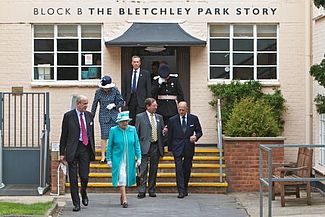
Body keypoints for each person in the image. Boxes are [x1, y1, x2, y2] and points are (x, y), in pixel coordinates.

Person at [59, 95, 96, 212]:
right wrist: (62, 152)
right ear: (78, 104)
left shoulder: (89, 115)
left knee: (84, 176)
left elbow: (91, 134)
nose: (86, 106)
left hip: (85, 148)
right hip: (72, 149)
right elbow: (64, 135)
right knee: (73, 179)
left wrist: (92, 148)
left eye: (87, 103)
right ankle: (76, 203)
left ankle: (83, 192)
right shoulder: (68, 116)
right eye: (84, 103)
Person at [106, 111, 142, 208]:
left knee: (127, 178)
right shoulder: (113, 130)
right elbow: (109, 146)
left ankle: (122, 195)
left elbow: (137, 144)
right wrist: (108, 159)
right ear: (118, 122)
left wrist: (139, 157)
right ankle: (125, 199)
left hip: (129, 158)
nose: (125, 123)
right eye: (122, 121)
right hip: (118, 159)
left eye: (126, 121)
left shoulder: (132, 129)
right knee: (121, 177)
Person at [167, 101, 202, 199]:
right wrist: (170, 149)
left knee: (187, 169)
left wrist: (196, 136)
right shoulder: (172, 120)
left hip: (188, 147)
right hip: (177, 148)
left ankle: (185, 188)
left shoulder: (193, 118)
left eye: (183, 110)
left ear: (186, 109)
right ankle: (181, 191)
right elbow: (170, 136)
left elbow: (199, 131)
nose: (181, 111)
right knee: (178, 169)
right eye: (179, 109)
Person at [135, 98, 167, 198]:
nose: (156, 107)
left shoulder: (159, 117)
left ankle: (152, 189)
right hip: (144, 146)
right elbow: (136, 133)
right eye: (154, 105)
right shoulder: (140, 117)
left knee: (154, 169)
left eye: (156, 105)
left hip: (155, 146)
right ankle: (141, 190)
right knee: (143, 169)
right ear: (148, 106)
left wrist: (164, 132)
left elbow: (162, 132)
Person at [91, 76, 124, 163]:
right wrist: (91, 117)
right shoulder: (98, 92)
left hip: (114, 115)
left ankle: (115, 154)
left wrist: (115, 105)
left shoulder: (115, 90)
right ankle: (103, 156)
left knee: (116, 135)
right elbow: (94, 105)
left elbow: (121, 101)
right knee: (104, 136)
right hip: (103, 115)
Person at [122, 55, 151, 125]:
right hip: (131, 99)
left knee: (140, 120)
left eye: (137, 62)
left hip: (141, 100)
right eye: (134, 62)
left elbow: (148, 88)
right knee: (131, 120)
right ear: (131, 63)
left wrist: (148, 101)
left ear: (140, 63)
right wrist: (124, 99)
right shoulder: (127, 73)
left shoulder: (145, 73)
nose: (136, 64)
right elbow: (124, 87)